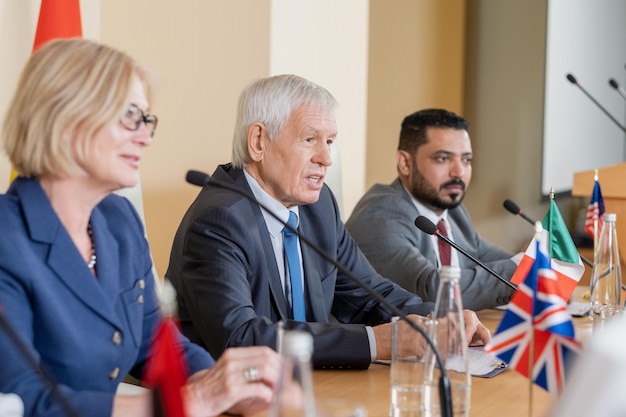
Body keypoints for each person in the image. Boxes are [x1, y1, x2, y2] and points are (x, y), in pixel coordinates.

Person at [0, 38, 281, 417]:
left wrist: (230, 386)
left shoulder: (118, 221)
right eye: (129, 116)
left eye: (146, 120)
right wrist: (186, 401)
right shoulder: (7, 235)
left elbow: (155, 344)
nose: (145, 137)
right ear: (65, 119)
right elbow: (19, 400)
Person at [166, 75, 491, 370]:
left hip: (314, 385)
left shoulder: (318, 206)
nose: (326, 158)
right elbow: (240, 339)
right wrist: (378, 343)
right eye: (310, 140)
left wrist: (438, 319)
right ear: (258, 141)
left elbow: (368, 293)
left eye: (330, 141)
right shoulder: (218, 220)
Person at [345, 108, 519, 311]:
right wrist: (522, 270)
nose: (459, 172)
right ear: (405, 163)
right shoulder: (380, 217)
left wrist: (546, 267)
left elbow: (487, 256)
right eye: (443, 159)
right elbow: (432, 291)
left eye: (466, 160)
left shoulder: (451, 210)